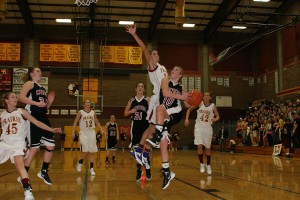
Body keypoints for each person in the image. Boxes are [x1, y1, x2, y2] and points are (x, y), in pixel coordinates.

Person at [126, 25, 188, 189]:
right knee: (153, 130)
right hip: (157, 99)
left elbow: (179, 97)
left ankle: (143, 152)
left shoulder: (163, 70)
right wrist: (135, 35)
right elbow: (144, 49)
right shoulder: (153, 67)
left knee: (153, 128)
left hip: (163, 103)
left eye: (156, 53)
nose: (153, 55)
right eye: (151, 54)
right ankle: (141, 152)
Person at [0, 92, 61, 200]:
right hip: (4, 142)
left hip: (18, 142)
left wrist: (51, 129)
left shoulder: (22, 111)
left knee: (20, 165)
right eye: (12, 97)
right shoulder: (2, 115)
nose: (15, 98)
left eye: (16, 96)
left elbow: (37, 123)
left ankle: (28, 191)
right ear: (6, 100)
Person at [19, 67, 57, 185]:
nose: (40, 73)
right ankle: (23, 175)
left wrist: (49, 102)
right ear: (31, 74)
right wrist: (36, 103)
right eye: (37, 71)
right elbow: (21, 97)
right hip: (32, 117)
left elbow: (44, 109)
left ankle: (44, 171)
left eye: (40, 71)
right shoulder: (30, 83)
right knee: (34, 149)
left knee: (51, 145)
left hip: (43, 118)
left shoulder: (43, 89)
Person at [185, 92, 220, 175]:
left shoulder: (213, 106)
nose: (206, 96)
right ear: (203, 97)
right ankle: (201, 163)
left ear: (210, 97)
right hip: (199, 127)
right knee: (199, 146)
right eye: (205, 95)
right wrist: (186, 119)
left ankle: (208, 164)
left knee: (207, 148)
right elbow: (189, 109)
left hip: (208, 128)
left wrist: (216, 119)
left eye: (208, 95)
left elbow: (218, 116)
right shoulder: (199, 103)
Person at [124, 82, 150, 181]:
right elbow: (125, 113)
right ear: (136, 89)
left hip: (145, 126)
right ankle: (139, 171)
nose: (140, 88)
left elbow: (152, 111)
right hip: (135, 126)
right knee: (137, 151)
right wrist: (131, 111)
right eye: (138, 86)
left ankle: (148, 169)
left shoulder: (147, 99)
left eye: (142, 86)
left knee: (146, 148)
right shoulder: (132, 100)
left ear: (144, 89)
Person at [72, 99, 103, 176]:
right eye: (86, 102)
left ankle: (91, 169)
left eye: (89, 102)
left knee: (91, 151)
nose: (88, 103)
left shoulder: (93, 112)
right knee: (85, 150)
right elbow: (75, 122)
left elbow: (97, 122)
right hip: (83, 132)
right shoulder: (80, 112)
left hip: (91, 132)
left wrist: (101, 129)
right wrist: (73, 131)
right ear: (83, 104)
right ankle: (80, 162)